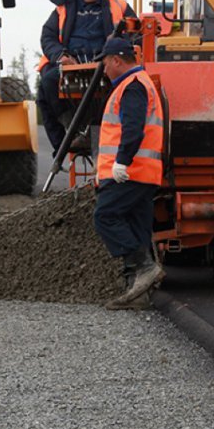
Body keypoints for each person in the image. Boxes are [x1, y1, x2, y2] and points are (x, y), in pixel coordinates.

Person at [91, 38, 165, 310]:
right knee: (136, 227)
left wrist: (121, 162)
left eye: (105, 63)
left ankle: (145, 268)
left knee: (105, 217)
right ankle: (138, 295)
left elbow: (133, 128)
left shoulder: (132, 87)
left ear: (116, 61)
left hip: (129, 173)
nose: (103, 68)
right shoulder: (138, 83)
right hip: (143, 173)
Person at [37, 0, 136, 156]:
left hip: (108, 63)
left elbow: (135, 33)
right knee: (47, 84)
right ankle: (67, 139)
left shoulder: (119, 5)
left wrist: (115, 48)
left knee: (121, 88)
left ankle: (97, 132)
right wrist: (61, 56)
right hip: (71, 63)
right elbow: (47, 36)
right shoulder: (62, 7)